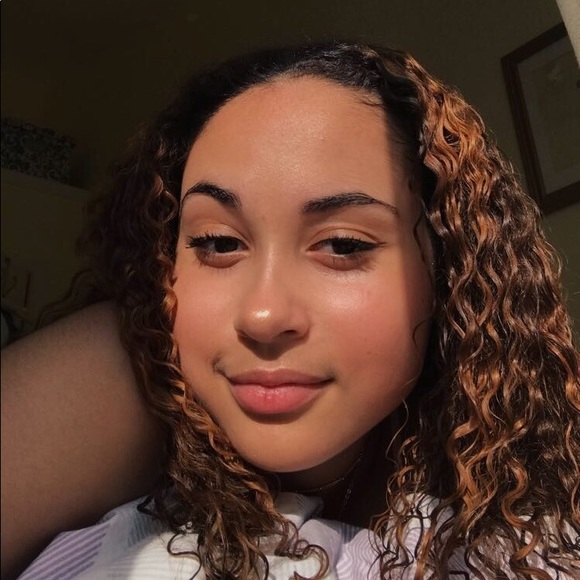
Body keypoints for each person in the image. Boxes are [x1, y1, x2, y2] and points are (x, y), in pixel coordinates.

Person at [2, 40, 579, 579]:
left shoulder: (525, 513)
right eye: (217, 243)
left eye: (343, 245)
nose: (263, 315)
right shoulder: (132, 366)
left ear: (447, 271)